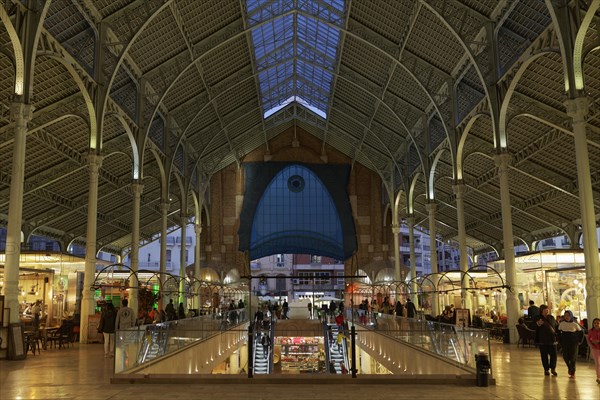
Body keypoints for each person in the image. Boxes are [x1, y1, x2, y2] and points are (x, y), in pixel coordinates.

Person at [558, 310, 583, 378]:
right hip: (564, 342)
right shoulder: (562, 324)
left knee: (573, 357)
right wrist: (559, 341)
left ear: (571, 316)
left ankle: (573, 372)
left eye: (568, 315)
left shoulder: (575, 324)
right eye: (565, 315)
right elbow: (558, 332)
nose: (567, 317)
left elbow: (581, 332)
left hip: (573, 342)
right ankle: (569, 367)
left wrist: (579, 341)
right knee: (565, 356)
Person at [535, 304, 558, 376]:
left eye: (548, 309)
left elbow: (556, 326)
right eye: (545, 310)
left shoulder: (551, 317)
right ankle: (546, 369)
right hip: (542, 340)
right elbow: (533, 326)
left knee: (554, 355)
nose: (547, 311)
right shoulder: (537, 318)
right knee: (544, 356)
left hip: (552, 340)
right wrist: (538, 324)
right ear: (542, 311)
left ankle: (553, 368)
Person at [586, 318, 600, 384]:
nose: (596, 324)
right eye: (595, 323)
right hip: (595, 349)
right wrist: (591, 344)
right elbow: (588, 339)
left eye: (598, 323)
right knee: (598, 363)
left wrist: (598, 341)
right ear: (593, 324)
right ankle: (598, 377)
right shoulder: (590, 331)